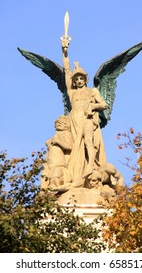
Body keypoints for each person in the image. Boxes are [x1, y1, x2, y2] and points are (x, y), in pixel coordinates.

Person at [61, 39, 108, 181]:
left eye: (81, 78)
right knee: (75, 145)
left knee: (88, 141)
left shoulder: (92, 91)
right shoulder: (72, 92)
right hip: (74, 119)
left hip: (87, 118)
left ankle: (90, 166)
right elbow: (66, 70)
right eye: (77, 79)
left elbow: (104, 105)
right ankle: (76, 171)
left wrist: (92, 106)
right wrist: (65, 51)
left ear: (85, 79)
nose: (79, 81)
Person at [41, 115, 72, 191]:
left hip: (59, 161)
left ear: (66, 125)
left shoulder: (66, 133)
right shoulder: (57, 134)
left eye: (61, 123)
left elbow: (69, 146)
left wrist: (58, 141)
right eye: (57, 123)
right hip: (50, 161)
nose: (58, 124)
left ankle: (57, 188)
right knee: (47, 175)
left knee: (56, 174)